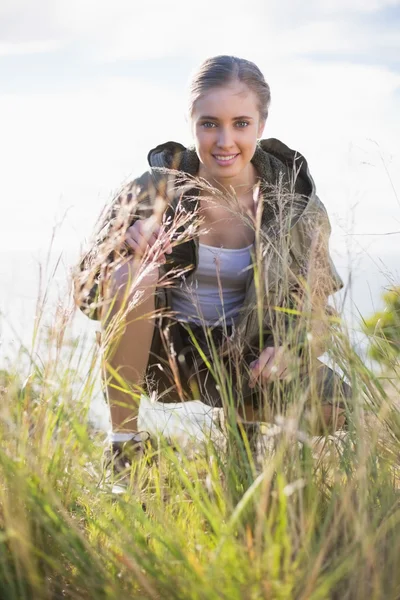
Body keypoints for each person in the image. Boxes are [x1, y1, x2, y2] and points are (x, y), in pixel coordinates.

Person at [74, 55, 350, 478]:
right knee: (132, 274)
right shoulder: (151, 190)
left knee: (342, 410)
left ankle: (243, 422)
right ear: (191, 123)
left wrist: (291, 348)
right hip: (164, 354)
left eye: (240, 123)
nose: (224, 141)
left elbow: (316, 309)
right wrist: (118, 249)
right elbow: (87, 296)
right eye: (209, 123)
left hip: (247, 357)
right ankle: (124, 448)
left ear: (261, 124)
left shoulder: (297, 205)